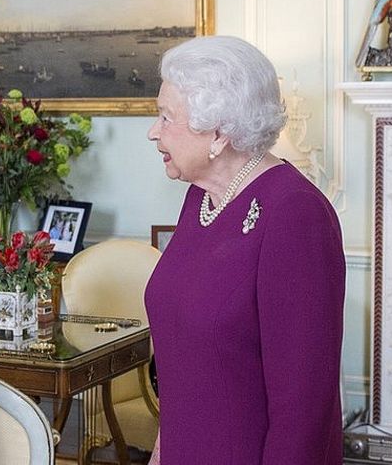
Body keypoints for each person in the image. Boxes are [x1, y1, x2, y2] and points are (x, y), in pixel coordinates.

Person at [144, 36, 345, 464]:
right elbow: (186, 365)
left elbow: (304, 409)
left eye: (166, 117)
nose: (153, 132)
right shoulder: (202, 197)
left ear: (218, 132)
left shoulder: (295, 213)